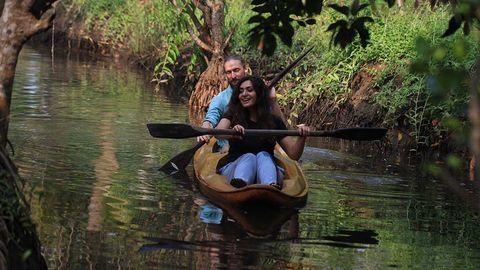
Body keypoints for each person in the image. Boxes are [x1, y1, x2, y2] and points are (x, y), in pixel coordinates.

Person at [215, 76, 311, 189]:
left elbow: (294, 154)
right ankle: (241, 186)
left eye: (249, 90)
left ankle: (269, 188)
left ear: (260, 94)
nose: (244, 94)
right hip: (235, 168)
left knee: (263, 155)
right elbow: (218, 133)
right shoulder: (233, 114)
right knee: (249, 157)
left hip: (266, 169)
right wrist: (232, 133)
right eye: (241, 91)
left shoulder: (274, 121)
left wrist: (302, 137)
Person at [197, 55, 283, 152]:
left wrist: (272, 101)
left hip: (260, 147)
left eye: (236, 70)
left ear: (245, 68)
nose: (233, 76)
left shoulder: (259, 94)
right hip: (229, 148)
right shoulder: (220, 99)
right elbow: (210, 119)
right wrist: (204, 131)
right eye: (229, 72)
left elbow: (279, 124)